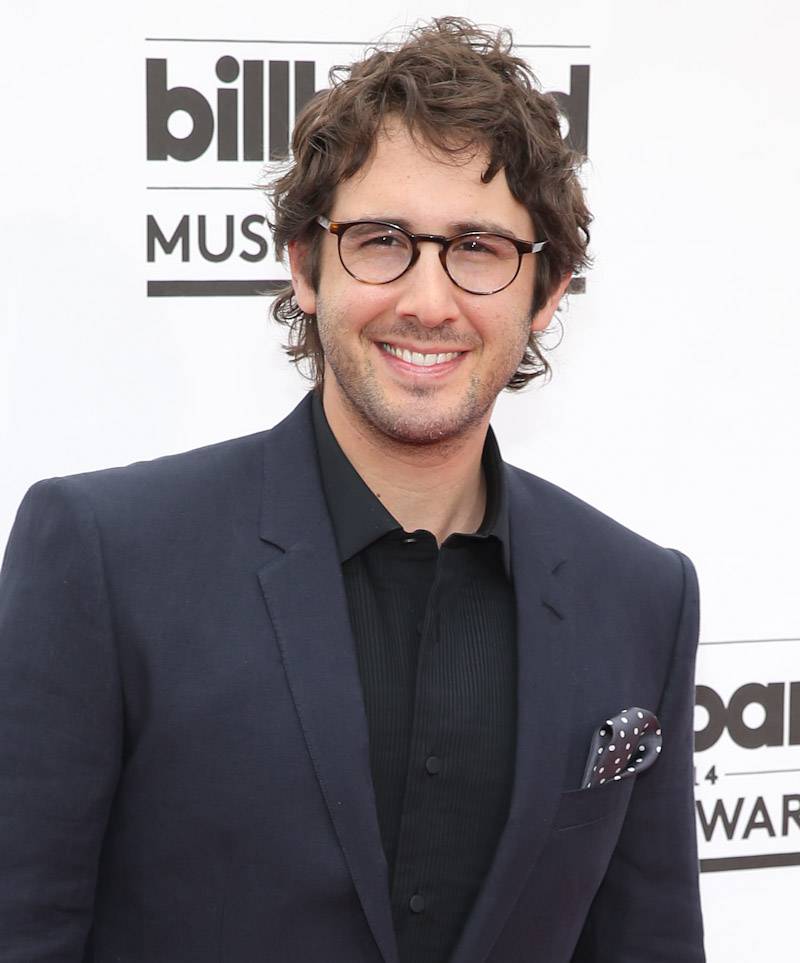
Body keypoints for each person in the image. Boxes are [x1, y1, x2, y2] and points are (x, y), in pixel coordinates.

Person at [0, 16, 705, 963]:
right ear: (305, 265)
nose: (427, 300)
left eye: (479, 247)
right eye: (382, 240)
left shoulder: (641, 597)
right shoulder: (103, 559)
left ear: (547, 291)